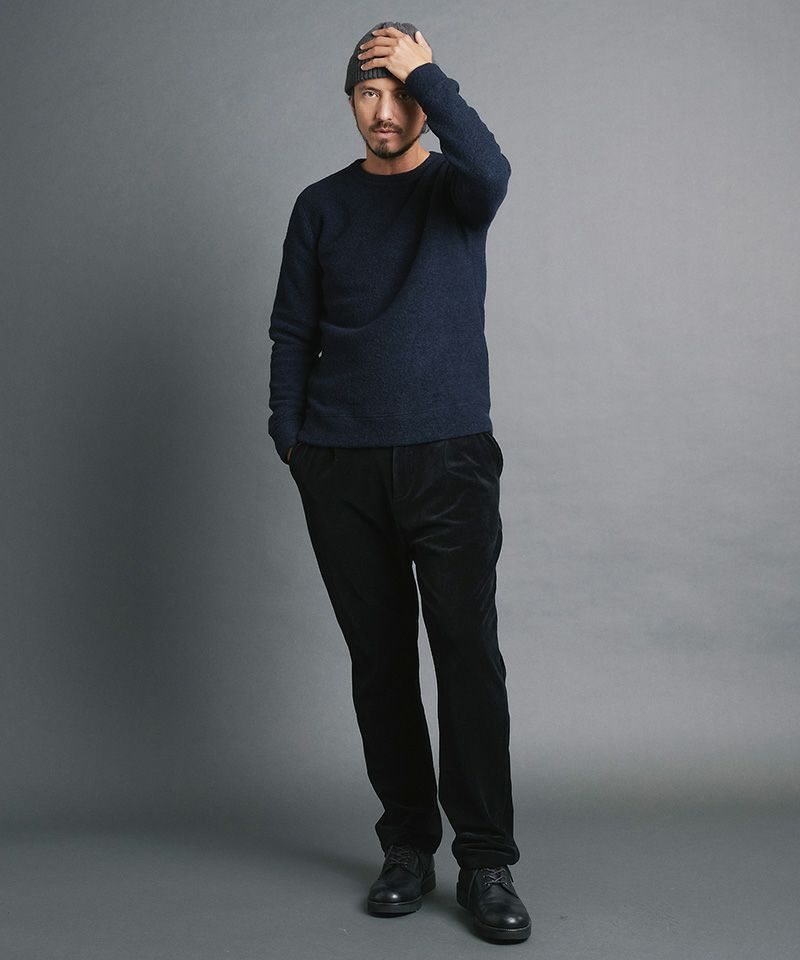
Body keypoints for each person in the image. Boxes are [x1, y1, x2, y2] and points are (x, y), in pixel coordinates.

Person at [267, 21, 531, 944]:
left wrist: (429, 73)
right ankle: (408, 847)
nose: (386, 112)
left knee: (466, 656)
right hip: (339, 465)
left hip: (450, 459)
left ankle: (486, 859)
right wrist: (291, 439)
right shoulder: (320, 206)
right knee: (380, 664)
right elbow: (292, 329)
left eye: (401, 94)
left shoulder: (455, 189)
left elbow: (494, 169)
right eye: (369, 93)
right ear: (350, 100)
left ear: (424, 100)